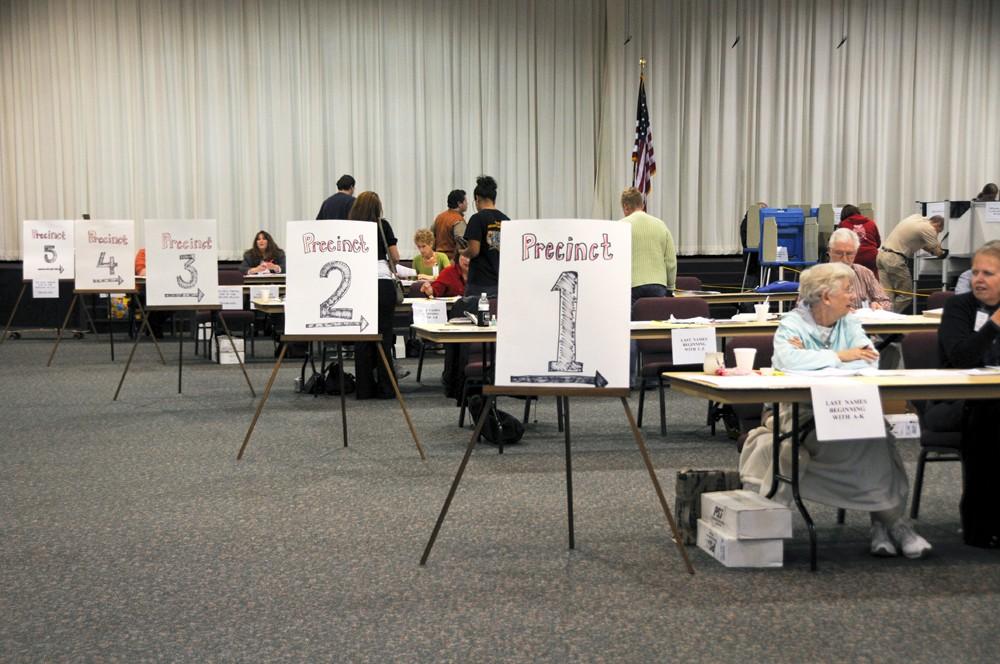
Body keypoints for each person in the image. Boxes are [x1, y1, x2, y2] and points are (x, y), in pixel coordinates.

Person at [739, 262, 932, 559]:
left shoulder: (850, 323)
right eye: (847, 290)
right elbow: (787, 359)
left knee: (880, 437)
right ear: (826, 296)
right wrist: (841, 355)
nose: (854, 296)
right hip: (802, 412)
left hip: (849, 406)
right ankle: (895, 524)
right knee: (847, 440)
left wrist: (818, 358)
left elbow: (868, 360)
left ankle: (884, 525)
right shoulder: (793, 323)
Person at [938, 240, 1000, 548]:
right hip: (953, 399)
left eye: (988, 273)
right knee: (989, 413)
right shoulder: (958, 308)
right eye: (975, 272)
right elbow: (961, 358)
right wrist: (994, 325)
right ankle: (980, 524)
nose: (978, 279)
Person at [348, 191, 399, 399]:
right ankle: (387, 388)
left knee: (362, 335)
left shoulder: (350, 229)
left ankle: (364, 388)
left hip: (360, 283)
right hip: (382, 282)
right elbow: (394, 256)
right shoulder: (382, 225)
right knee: (384, 336)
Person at [875, 214, 946, 313]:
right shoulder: (929, 229)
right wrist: (944, 253)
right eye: (939, 231)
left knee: (887, 295)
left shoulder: (917, 219)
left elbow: (922, 244)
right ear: (938, 225)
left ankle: (881, 318)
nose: (937, 233)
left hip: (881, 256)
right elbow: (938, 251)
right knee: (906, 295)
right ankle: (890, 315)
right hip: (894, 259)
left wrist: (932, 249)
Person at [620, 186, 677, 305]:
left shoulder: (620, 226)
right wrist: (670, 287)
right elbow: (671, 262)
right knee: (657, 322)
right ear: (642, 204)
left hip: (631, 286)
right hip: (658, 285)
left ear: (626, 206)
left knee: (632, 322)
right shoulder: (661, 225)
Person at [460, 175, 507, 298]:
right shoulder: (506, 220)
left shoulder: (477, 218)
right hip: (501, 280)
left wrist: (463, 252)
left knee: (476, 314)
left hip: (480, 281)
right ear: (494, 199)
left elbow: (474, 251)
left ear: (477, 199)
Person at [826, 228, 891, 310]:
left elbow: (885, 301)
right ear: (829, 251)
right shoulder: (818, 277)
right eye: (839, 253)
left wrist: (879, 306)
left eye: (849, 254)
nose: (844, 259)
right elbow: (812, 309)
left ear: (856, 253)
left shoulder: (865, 273)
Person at [837, 205, 881, 277]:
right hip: (872, 257)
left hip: (854, 258)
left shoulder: (843, 224)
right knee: (872, 280)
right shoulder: (871, 223)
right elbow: (878, 243)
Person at [433, 189, 468, 256]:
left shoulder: (439, 217)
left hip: (437, 257)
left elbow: (431, 238)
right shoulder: (458, 220)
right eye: (465, 201)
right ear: (459, 203)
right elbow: (461, 243)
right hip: (451, 259)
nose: (467, 203)